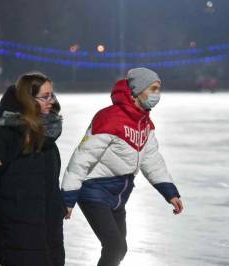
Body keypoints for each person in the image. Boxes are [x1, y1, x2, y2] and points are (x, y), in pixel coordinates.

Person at [61, 67, 184, 266]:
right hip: (94, 191)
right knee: (115, 247)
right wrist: (68, 197)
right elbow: (82, 158)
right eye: (153, 89)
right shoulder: (110, 118)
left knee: (120, 249)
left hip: (119, 194)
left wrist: (170, 192)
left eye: (158, 89)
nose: (157, 95)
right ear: (137, 90)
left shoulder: (144, 123)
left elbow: (151, 159)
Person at [0, 72, 66, 266]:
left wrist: (59, 204)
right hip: (20, 228)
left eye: (52, 95)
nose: (51, 101)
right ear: (29, 100)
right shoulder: (10, 129)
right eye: (45, 96)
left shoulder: (47, 133)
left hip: (48, 226)